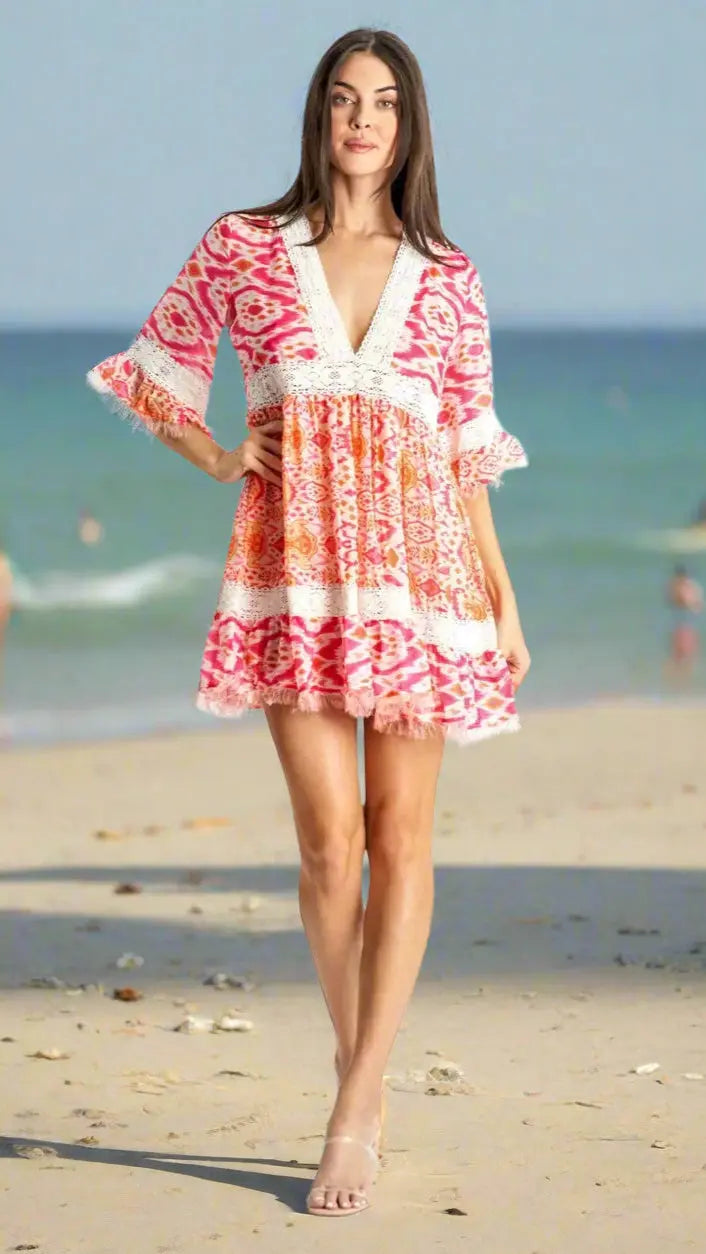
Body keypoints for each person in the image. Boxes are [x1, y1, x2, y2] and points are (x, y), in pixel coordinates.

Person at [87, 28, 530, 1217]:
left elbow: (465, 448)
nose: (362, 119)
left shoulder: (448, 276)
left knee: (402, 838)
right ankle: (363, 1071)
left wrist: (503, 593)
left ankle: (353, 1103)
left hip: (424, 580)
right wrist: (222, 454)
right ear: (319, 116)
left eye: (383, 101)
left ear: (409, 124)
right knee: (330, 844)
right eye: (343, 98)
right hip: (291, 576)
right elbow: (153, 367)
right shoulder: (243, 246)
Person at [666, 564, 702, 680]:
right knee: (680, 650)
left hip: (686, 619)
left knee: (684, 648)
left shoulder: (686, 586)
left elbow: (693, 603)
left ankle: (682, 676)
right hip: (683, 619)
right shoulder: (680, 586)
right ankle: (680, 676)